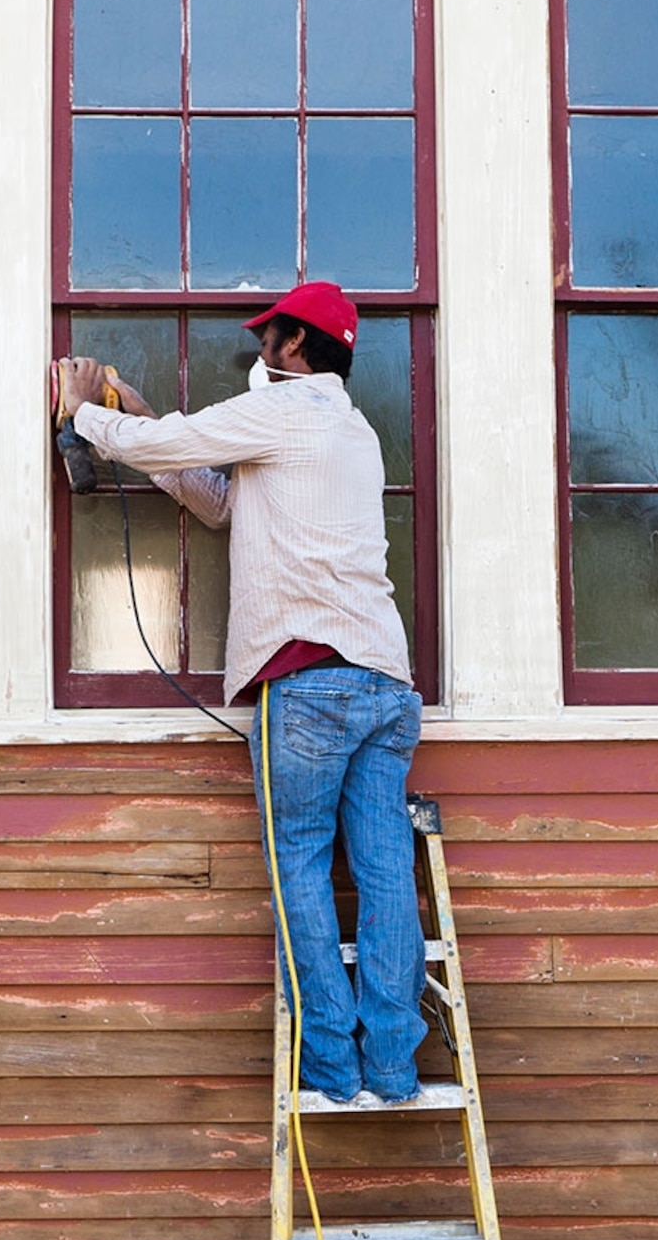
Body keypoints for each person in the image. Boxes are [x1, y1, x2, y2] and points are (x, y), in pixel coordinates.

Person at [51, 282, 425, 1104]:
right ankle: (393, 1068)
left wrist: (85, 413)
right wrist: (148, 427)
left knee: (300, 867)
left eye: (270, 334)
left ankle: (330, 1063)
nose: (260, 346)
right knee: (385, 870)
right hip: (385, 686)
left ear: (296, 346)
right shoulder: (352, 433)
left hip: (310, 683)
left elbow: (181, 442)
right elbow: (224, 504)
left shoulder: (286, 411)